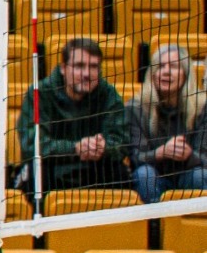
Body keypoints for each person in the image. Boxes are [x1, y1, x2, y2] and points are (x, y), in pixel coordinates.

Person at [14, 37, 129, 191]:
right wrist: (75, 148)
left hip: (94, 168)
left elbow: (122, 142)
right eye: (79, 66)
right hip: (52, 169)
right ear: (63, 68)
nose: (87, 73)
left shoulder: (109, 94)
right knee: (35, 173)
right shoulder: (40, 93)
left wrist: (104, 148)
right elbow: (31, 145)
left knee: (121, 173)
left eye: (93, 66)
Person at [127, 43, 207, 204]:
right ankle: (154, 226)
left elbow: (205, 158)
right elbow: (135, 158)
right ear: (153, 74)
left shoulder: (202, 107)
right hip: (155, 176)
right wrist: (160, 153)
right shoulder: (135, 107)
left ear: (186, 74)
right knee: (144, 175)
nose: (166, 72)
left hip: (189, 175)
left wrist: (189, 155)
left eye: (174, 66)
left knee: (201, 175)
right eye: (161, 66)